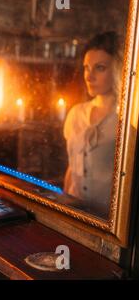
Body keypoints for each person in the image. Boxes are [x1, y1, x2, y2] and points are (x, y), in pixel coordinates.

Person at [63, 31, 121, 218]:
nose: (89, 76)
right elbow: (72, 168)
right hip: (76, 213)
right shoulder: (76, 113)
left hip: (108, 220)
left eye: (100, 68)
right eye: (86, 68)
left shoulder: (126, 119)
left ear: (118, 69)